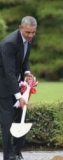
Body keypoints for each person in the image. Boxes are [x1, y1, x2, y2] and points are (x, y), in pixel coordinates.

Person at [0, 16, 37, 160]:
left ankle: (17, 152)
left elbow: (25, 59)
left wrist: (27, 73)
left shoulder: (29, 39)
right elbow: (8, 72)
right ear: (20, 27)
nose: (31, 35)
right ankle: (8, 155)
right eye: (28, 32)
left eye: (33, 32)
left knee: (21, 117)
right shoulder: (9, 43)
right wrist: (18, 96)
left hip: (17, 82)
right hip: (3, 85)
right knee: (8, 121)